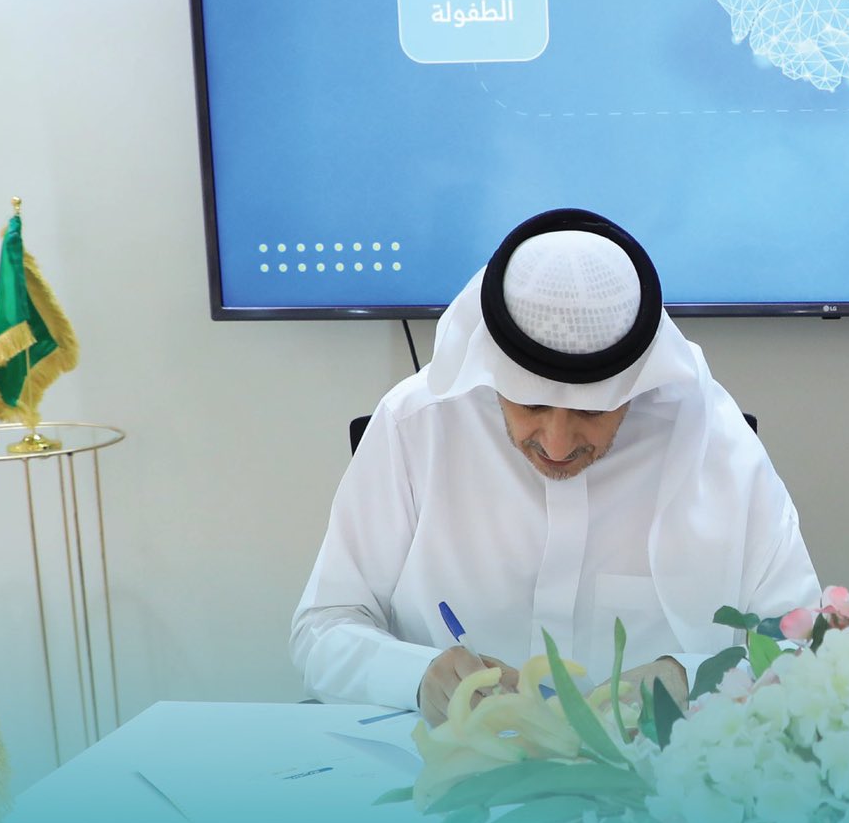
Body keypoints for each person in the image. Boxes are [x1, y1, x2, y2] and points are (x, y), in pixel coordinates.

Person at [292, 208, 820, 723]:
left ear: (638, 384)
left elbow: (803, 649)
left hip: (655, 771)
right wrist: (418, 675)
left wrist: (692, 678)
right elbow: (323, 628)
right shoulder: (417, 426)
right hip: (447, 763)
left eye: (592, 411)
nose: (558, 444)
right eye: (531, 404)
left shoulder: (716, 443)